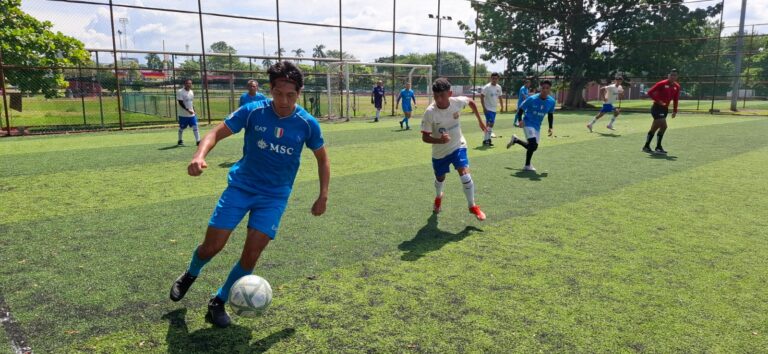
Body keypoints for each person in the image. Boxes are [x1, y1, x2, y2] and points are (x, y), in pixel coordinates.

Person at [168, 61, 330, 328]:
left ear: (299, 94)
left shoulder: (307, 123)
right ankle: (191, 273)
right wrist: (199, 155)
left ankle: (217, 301)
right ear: (271, 90)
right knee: (212, 247)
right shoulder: (254, 111)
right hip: (241, 188)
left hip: (274, 197)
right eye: (279, 94)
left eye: (291, 95)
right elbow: (216, 133)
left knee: (251, 255)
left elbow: (323, 159)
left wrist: (323, 195)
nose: (284, 101)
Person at [420, 78, 487, 221]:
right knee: (440, 177)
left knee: (464, 173)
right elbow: (425, 137)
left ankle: (472, 206)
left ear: (450, 93)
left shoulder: (457, 102)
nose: (438, 99)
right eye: (436, 96)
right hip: (439, 152)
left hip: (458, 145)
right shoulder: (430, 112)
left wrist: (480, 121)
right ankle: (439, 196)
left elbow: (472, 102)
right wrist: (440, 140)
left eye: (442, 96)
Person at [506, 80, 556, 171]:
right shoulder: (532, 99)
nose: (545, 90)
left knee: (534, 147)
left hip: (537, 126)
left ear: (550, 89)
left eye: (547, 88)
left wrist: (550, 127)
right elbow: (521, 109)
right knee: (532, 144)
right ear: (540, 88)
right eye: (543, 88)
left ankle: (516, 140)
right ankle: (527, 165)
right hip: (527, 123)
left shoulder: (552, 101)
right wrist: (520, 120)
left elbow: (550, 114)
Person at [643, 69, 681, 154]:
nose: (673, 76)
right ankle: (658, 147)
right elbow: (649, 92)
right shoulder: (662, 83)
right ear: (668, 75)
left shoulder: (677, 86)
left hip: (665, 109)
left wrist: (675, 111)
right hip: (657, 107)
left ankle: (647, 146)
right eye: (671, 75)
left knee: (658, 128)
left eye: (675, 75)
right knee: (663, 125)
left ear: (677, 77)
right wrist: (658, 101)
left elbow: (676, 99)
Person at [480, 73, 504, 146]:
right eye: (493, 78)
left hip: (494, 109)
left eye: (496, 78)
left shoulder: (499, 87)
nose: (494, 80)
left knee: (490, 124)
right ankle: (487, 140)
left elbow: (500, 97)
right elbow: (481, 96)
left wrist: (502, 107)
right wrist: (484, 108)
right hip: (488, 108)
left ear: (498, 79)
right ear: (491, 78)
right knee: (490, 123)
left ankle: (487, 140)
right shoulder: (487, 87)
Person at [176, 79, 200, 146]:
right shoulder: (180, 91)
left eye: (190, 83)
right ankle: (180, 140)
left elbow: (191, 102)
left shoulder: (191, 92)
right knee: (182, 128)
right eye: (187, 83)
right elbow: (180, 103)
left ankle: (198, 141)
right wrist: (188, 110)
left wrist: (193, 110)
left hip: (191, 115)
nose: (189, 84)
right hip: (183, 115)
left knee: (195, 126)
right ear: (184, 84)